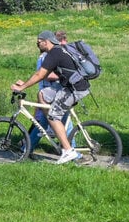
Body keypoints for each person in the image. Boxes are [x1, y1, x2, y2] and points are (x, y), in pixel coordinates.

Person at [12, 30, 89, 164]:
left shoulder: (54, 53)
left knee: (53, 116)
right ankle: (55, 136)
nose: (37, 45)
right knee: (43, 94)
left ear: (46, 41)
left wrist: (21, 87)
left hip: (74, 89)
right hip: (71, 86)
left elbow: (40, 75)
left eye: (39, 42)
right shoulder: (58, 51)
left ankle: (68, 151)